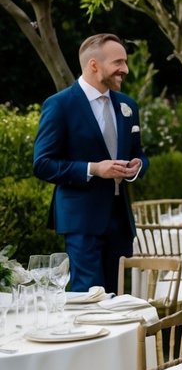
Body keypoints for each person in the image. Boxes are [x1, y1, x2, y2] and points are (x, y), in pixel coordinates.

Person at [33, 34, 149, 292]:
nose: (125, 69)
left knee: (118, 298)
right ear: (94, 65)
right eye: (118, 62)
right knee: (88, 296)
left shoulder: (128, 105)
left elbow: (140, 154)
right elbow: (42, 163)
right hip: (82, 220)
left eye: (125, 62)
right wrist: (93, 169)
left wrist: (137, 166)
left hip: (120, 219)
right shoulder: (60, 105)